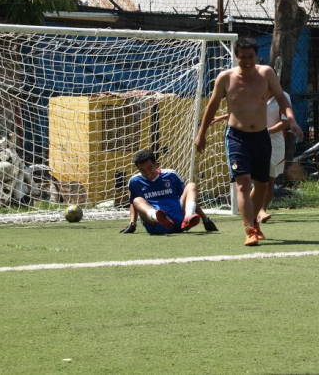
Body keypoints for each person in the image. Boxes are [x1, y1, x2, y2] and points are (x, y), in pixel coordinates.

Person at [194, 37, 303, 246]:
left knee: (262, 185)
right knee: (242, 184)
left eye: (250, 56)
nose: (246, 60)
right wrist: (201, 134)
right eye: (242, 57)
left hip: (262, 137)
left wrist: (292, 121)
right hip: (237, 137)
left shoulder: (267, 73)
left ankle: (254, 221)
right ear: (236, 57)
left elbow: (282, 99)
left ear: (256, 56)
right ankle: (250, 230)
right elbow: (212, 108)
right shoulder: (225, 78)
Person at [210, 90, 291, 224]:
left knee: (269, 179)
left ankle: (261, 210)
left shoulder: (283, 96)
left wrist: (265, 131)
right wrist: (223, 117)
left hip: (275, 140)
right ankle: (253, 216)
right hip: (253, 138)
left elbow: (285, 122)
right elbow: (242, 112)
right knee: (248, 179)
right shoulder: (253, 89)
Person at [119, 149, 218, 235]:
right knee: (137, 200)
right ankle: (158, 217)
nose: (148, 173)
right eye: (143, 171)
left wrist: (205, 219)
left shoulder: (171, 175)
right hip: (155, 223)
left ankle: (188, 217)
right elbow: (133, 204)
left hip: (178, 220)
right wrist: (132, 224)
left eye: (150, 168)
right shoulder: (134, 181)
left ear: (156, 165)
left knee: (191, 186)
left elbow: (190, 199)